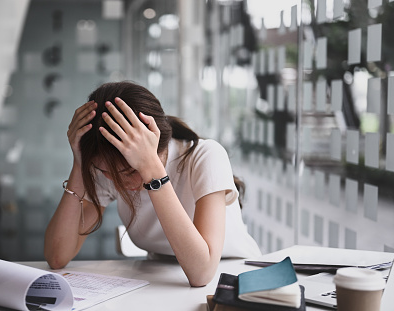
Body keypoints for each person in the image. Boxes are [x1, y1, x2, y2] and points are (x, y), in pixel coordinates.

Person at [44, 81, 261, 287]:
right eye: (104, 172)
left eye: (126, 171)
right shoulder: (110, 169)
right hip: (164, 282)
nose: (113, 180)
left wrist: (151, 171)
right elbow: (57, 256)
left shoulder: (205, 156)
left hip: (234, 278)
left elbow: (202, 273)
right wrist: (79, 164)